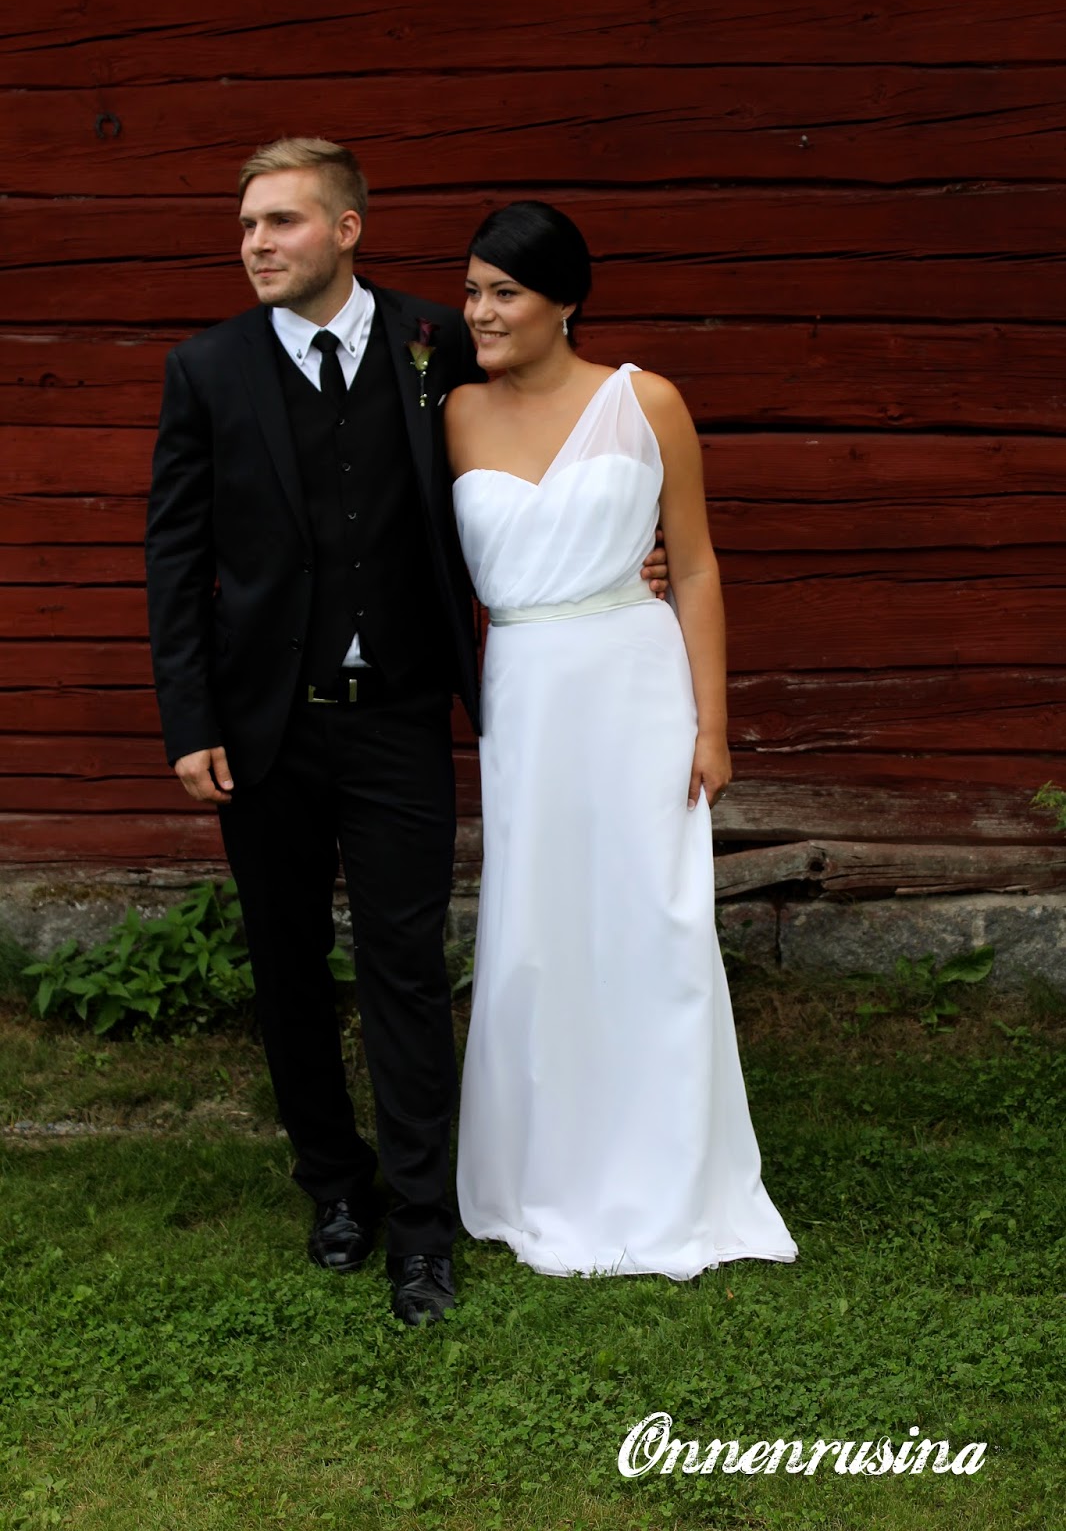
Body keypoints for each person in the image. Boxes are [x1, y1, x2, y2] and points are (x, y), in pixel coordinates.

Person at [145, 141, 665, 1324]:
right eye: (246, 225)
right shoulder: (207, 370)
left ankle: (423, 1224)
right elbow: (175, 554)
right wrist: (189, 719)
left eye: (280, 221)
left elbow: (545, 427)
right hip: (263, 730)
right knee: (286, 965)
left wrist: (619, 551)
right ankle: (335, 1185)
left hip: (399, 721)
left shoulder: (439, 340)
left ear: (346, 229)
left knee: (406, 968)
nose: (256, 244)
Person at [446, 201, 797, 1278]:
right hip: (525, 693)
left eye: (504, 292)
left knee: (653, 921)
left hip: (636, 685)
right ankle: (542, 1171)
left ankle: (666, 1174)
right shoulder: (452, 412)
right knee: (537, 929)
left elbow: (692, 565)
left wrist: (712, 726)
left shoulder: (646, 402)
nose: (480, 312)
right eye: (471, 292)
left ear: (565, 301)